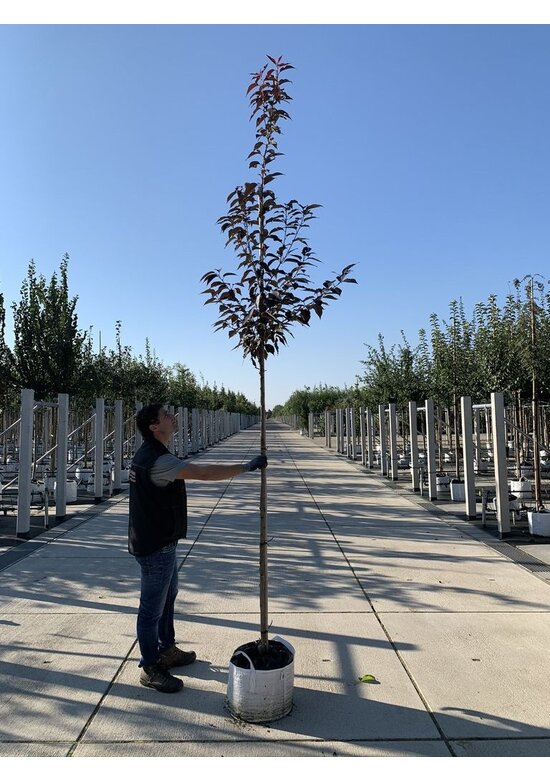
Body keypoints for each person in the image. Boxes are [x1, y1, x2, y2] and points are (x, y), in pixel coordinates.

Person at [128, 403, 267, 694]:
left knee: (168, 597)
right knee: (151, 607)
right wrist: (245, 467)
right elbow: (202, 473)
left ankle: (167, 648)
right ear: (154, 427)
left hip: (158, 540)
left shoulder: (152, 453)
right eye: (165, 415)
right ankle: (150, 666)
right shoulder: (157, 459)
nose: (172, 416)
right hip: (155, 545)